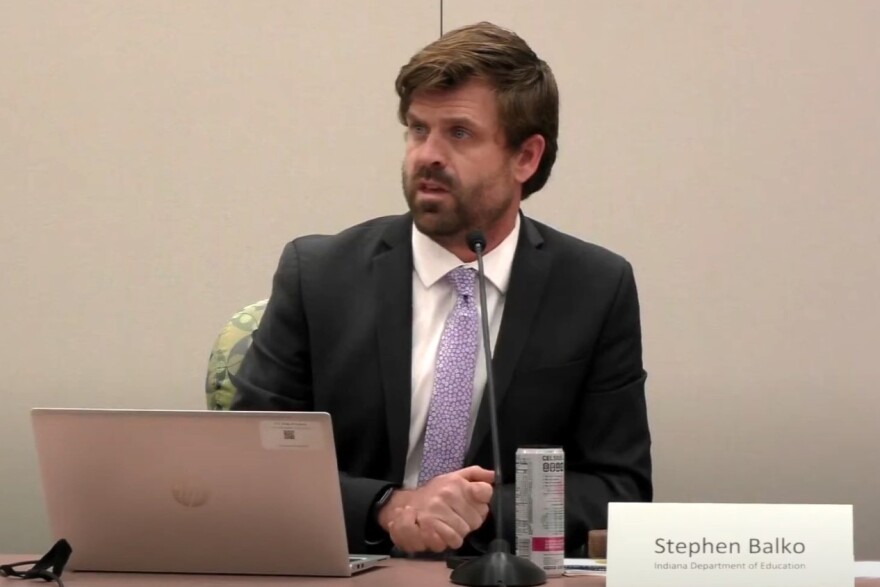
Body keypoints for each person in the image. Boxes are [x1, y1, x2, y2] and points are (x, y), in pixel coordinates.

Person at [231, 21, 651, 556]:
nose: (427, 155)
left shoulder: (594, 288)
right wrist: (390, 506)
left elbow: (620, 488)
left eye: (459, 133)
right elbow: (250, 466)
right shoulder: (319, 275)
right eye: (417, 129)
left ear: (526, 157)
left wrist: (470, 509)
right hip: (352, 565)